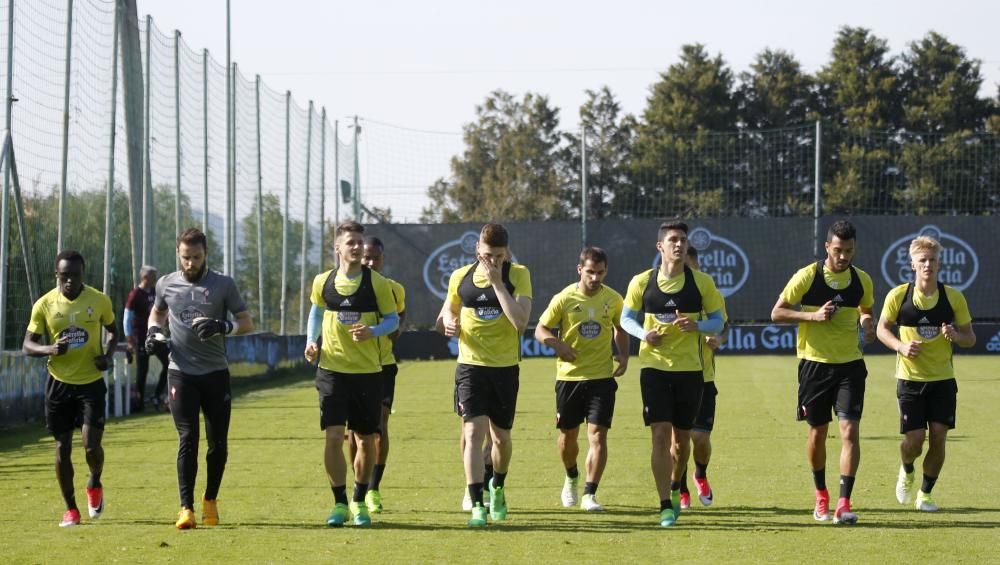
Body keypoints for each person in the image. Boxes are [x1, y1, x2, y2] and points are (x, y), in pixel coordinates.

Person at [619, 221, 725, 527]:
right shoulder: (642, 282)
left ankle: (678, 484)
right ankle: (665, 504)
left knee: (682, 443)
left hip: (691, 371)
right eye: (673, 240)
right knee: (660, 435)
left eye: (682, 240)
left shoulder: (701, 283)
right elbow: (626, 318)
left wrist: (697, 326)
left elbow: (718, 322)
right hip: (654, 368)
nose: (678, 244)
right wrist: (643, 334)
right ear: (660, 247)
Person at [147, 228, 254, 529]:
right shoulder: (166, 284)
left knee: (217, 444)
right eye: (185, 258)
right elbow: (156, 315)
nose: (190, 263)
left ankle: (210, 501)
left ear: (206, 253)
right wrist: (154, 332)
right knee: (187, 439)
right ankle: (186, 508)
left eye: (196, 257)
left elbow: (246, 321)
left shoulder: (223, 284)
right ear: (177, 255)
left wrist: (223, 326)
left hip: (215, 374)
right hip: (180, 372)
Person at [771, 219, 875, 525]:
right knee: (818, 432)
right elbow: (777, 312)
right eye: (839, 250)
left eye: (849, 251)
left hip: (850, 366)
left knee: (849, 430)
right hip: (814, 365)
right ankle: (821, 496)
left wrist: (867, 324)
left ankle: (844, 503)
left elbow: (867, 310)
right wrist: (813, 316)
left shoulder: (862, 280)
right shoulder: (808, 276)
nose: (844, 256)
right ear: (827, 247)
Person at [304, 221, 399, 527]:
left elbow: (393, 320)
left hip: (368, 373)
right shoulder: (323, 282)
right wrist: (311, 341)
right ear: (338, 248)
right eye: (351, 243)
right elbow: (317, 312)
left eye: (359, 242)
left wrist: (372, 331)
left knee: (366, 440)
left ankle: (360, 500)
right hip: (331, 370)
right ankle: (339, 503)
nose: (357, 247)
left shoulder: (378, 284)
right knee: (333, 437)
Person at [437, 223, 531, 527]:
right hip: (470, 367)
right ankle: (477, 502)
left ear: (507, 253)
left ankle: (498, 487)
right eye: (489, 255)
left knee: (501, 439)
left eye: (500, 256)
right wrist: (448, 323)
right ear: (478, 249)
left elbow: (520, 322)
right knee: (473, 434)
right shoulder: (460, 277)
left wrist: (497, 284)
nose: (494, 261)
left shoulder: (518, 275)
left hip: (504, 369)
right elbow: (444, 316)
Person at [876, 235, 975, 512]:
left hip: (943, 380)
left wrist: (956, 335)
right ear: (912, 264)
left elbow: (971, 338)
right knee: (915, 441)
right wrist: (900, 346)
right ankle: (907, 470)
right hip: (910, 380)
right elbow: (883, 329)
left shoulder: (953, 297)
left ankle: (926, 494)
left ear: (939, 263)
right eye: (922, 260)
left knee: (940, 436)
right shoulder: (899, 296)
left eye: (932, 260)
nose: (928, 264)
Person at [24, 250, 117, 527]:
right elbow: (27, 345)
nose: (69, 282)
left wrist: (108, 356)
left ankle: (95, 482)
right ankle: (71, 509)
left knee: (91, 447)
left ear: (82, 275)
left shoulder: (99, 300)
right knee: (62, 448)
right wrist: (49, 348)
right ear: (57, 275)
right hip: (59, 385)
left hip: (91, 383)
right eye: (64, 276)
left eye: (75, 276)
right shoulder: (44, 304)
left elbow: (113, 331)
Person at [534, 246, 628, 512]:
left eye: (600, 272)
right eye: (590, 272)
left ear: (606, 271)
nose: (595, 278)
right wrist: (557, 345)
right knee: (568, 438)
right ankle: (571, 476)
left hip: (601, 377)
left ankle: (590, 493)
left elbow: (621, 328)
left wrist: (624, 355)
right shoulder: (564, 298)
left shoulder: (613, 299)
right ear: (580, 270)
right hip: (569, 378)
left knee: (598, 435)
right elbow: (540, 329)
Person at [345, 235, 407, 514]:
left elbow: (399, 318)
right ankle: (358, 480)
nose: (370, 262)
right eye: (366, 257)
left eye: (375, 258)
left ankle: (373, 489)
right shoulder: (348, 286)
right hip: (351, 366)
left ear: (383, 259)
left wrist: (390, 331)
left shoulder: (393, 289)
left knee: (379, 429)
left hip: (383, 366)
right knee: (352, 433)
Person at [676, 246, 728, 510]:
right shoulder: (666, 294)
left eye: (691, 269)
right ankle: (681, 487)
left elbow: (723, 328)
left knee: (700, 439)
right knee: (678, 440)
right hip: (673, 374)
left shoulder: (710, 293)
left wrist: (717, 339)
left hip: (704, 378)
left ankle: (700, 474)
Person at [123, 265, 168, 412]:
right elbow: (127, 318)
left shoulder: (156, 292)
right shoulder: (135, 294)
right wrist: (130, 338)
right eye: (154, 276)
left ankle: (157, 395)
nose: (156, 278)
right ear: (145, 277)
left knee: (169, 363)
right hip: (141, 336)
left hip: (156, 334)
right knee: (142, 371)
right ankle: (139, 403)